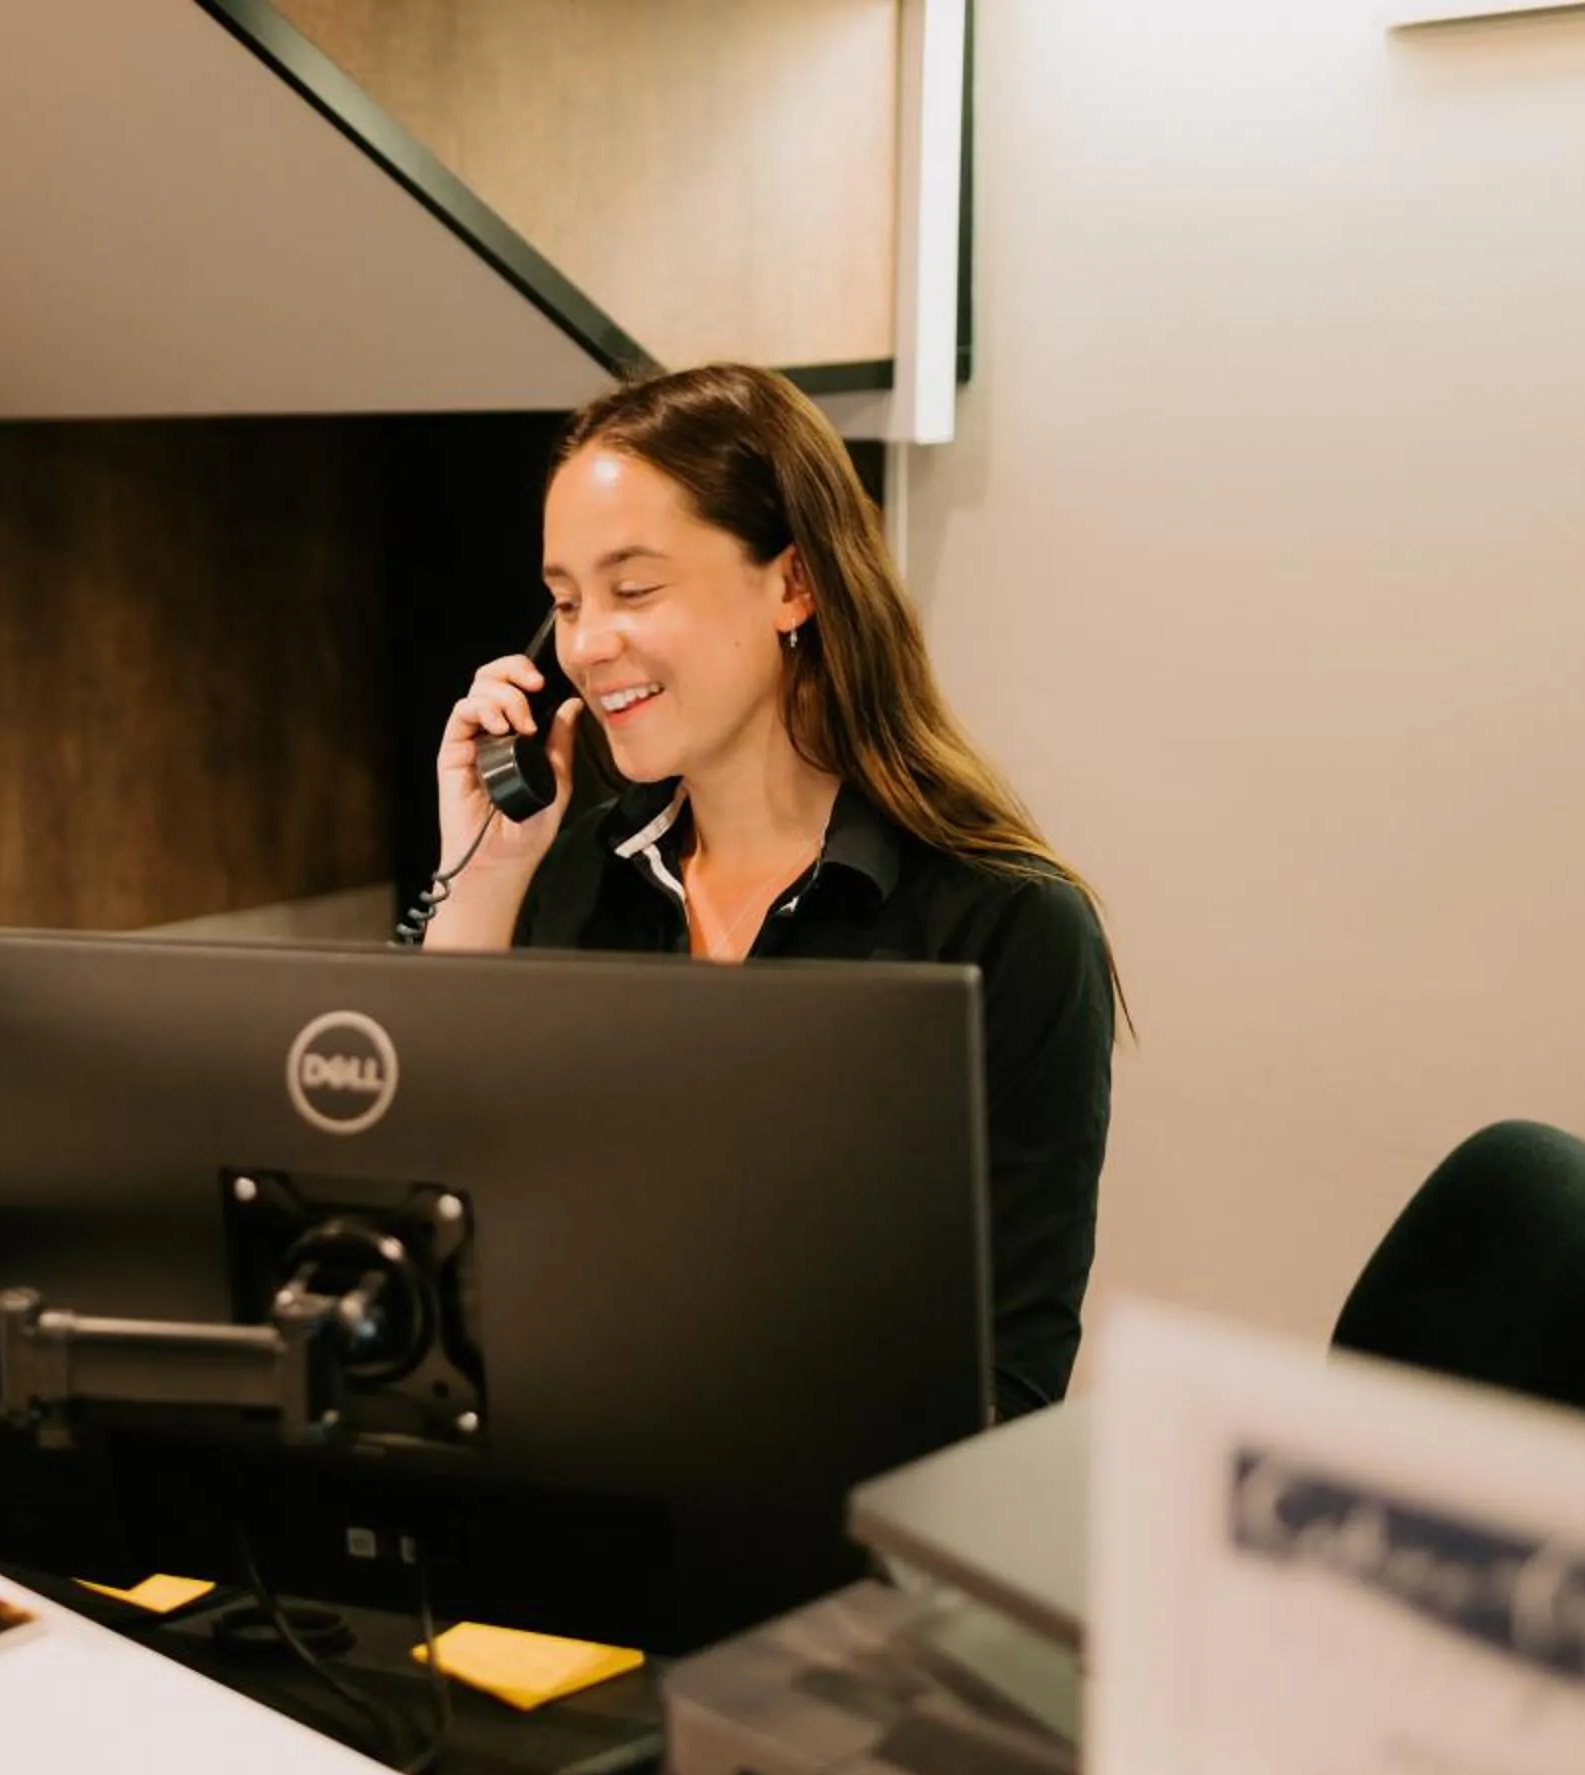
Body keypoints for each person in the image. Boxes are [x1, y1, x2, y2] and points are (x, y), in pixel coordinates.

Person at [421, 364, 1116, 1419]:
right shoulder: (572, 877)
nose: (587, 644)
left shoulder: (1010, 928)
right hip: (572, 1476)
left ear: (793, 584)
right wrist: (482, 880)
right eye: (564, 602)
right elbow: (434, 1236)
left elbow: (1005, 1384)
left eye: (633, 589)